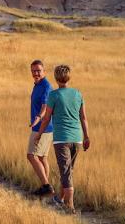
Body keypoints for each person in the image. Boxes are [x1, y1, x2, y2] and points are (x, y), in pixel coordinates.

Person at [34, 64, 90, 213]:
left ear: (56, 78)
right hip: (77, 138)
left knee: (65, 172)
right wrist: (87, 137)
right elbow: (83, 118)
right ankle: (60, 198)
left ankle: (70, 204)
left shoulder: (54, 95)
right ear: (69, 77)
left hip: (61, 140)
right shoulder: (78, 94)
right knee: (69, 170)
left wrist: (39, 134)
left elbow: (46, 119)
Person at [26, 59, 53, 197]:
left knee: (31, 155)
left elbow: (44, 106)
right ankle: (45, 188)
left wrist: (38, 117)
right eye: (34, 71)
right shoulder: (37, 84)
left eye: (38, 71)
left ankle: (46, 186)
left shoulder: (46, 87)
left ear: (44, 71)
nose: (36, 73)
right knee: (42, 157)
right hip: (43, 126)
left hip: (43, 127)